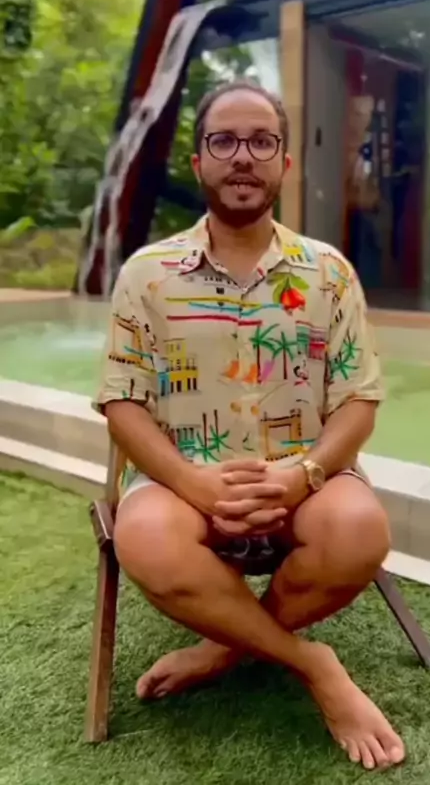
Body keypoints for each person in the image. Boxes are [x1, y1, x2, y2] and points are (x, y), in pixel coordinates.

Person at [94, 80, 405, 771]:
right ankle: (314, 665)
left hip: (305, 477)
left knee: (359, 528)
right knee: (144, 537)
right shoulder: (147, 274)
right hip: (182, 483)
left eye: (261, 141)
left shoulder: (327, 273)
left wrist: (305, 475)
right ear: (199, 161)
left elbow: (359, 399)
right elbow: (122, 403)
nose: (243, 156)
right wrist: (193, 484)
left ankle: (224, 649)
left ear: (284, 162)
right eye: (224, 141)